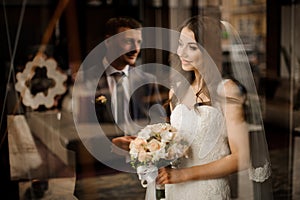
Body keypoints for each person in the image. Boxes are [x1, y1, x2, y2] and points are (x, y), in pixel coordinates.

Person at [156, 16, 273, 199]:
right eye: (180, 44)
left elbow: (240, 157)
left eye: (192, 47)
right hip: (176, 189)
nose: (182, 53)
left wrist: (184, 174)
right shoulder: (176, 90)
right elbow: (178, 145)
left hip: (208, 190)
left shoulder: (227, 91)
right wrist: (153, 149)